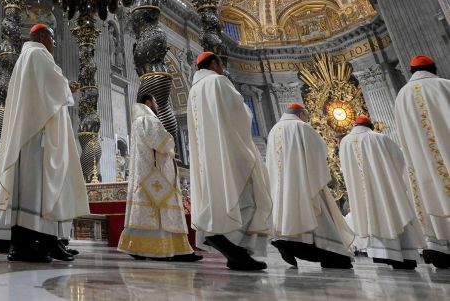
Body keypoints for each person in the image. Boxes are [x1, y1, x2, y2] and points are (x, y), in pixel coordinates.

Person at [0, 23, 89, 262]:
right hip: (38, 137)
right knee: (38, 190)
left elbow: (46, 89)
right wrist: (66, 86)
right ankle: (33, 245)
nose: (55, 44)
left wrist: (64, 87)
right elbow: (51, 87)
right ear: (42, 36)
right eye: (53, 39)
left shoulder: (26, 56)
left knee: (38, 191)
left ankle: (43, 243)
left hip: (33, 134)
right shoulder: (37, 53)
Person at [186, 51, 272, 271]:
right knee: (248, 198)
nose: (223, 69)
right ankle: (229, 244)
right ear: (214, 64)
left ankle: (235, 252)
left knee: (220, 197)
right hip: (228, 150)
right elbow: (240, 113)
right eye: (221, 65)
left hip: (208, 154)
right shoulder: (218, 81)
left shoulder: (194, 90)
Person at [266, 103, 354, 269]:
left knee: (288, 217)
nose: (307, 120)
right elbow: (320, 149)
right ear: (301, 114)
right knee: (318, 219)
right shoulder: (301, 127)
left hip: (280, 188)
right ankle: (332, 256)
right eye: (306, 116)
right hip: (304, 184)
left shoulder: (273, 131)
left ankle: (284, 242)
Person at [118, 93, 202, 262]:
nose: (157, 104)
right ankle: (169, 250)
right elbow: (161, 143)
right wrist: (171, 140)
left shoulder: (136, 122)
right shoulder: (149, 120)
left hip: (145, 175)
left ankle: (140, 248)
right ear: (148, 102)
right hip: (157, 176)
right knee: (161, 213)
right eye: (155, 101)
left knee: (147, 214)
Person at [340, 115, 425, 269]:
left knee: (371, 218)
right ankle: (402, 255)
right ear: (370, 125)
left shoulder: (344, 142)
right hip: (386, 190)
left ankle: (382, 254)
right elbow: (400, 161)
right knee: (393, 216)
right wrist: (394, 182)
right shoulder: (378, 138)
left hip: (361, 195)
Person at [394, 54, 450, 269]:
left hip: (421, 163)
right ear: (434, 68)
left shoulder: (402, 97)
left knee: (431, 195)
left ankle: (440, 248)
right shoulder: (444, 85)